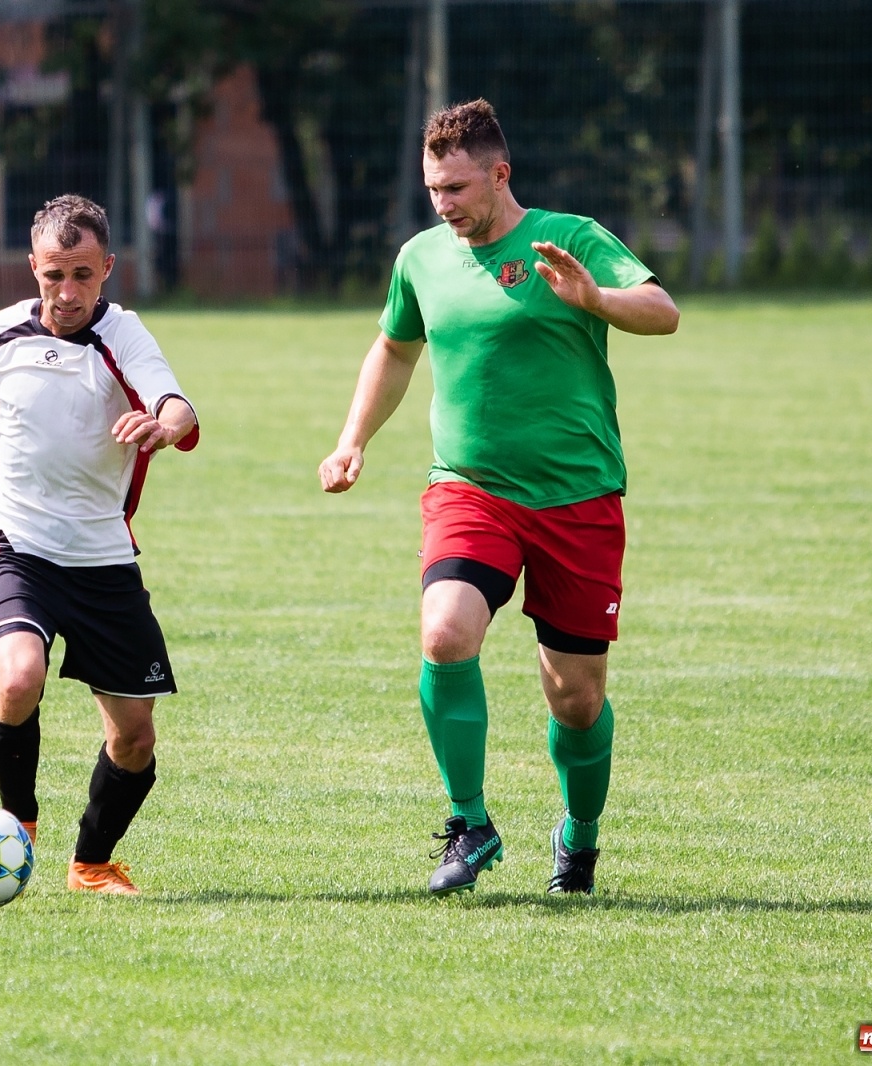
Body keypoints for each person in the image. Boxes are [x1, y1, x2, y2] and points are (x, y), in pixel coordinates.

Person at [318, 100, 679, 897]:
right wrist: (353, 440)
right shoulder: (421, 258)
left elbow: (664, 311)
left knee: (575, 697)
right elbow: (394, 347)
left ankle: (578, 837)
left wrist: (596, 300)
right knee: (445, 633)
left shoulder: (570, 237)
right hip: (470, 490)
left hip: (579, 496)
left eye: (454, 187)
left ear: (499, 174)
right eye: (432, 189)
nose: (442, 204)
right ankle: (469, 823)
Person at [0, 195, 199, 896]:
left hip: (104, 559)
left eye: (82, 274)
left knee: (135, 739)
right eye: (52, 276)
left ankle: (91, 864)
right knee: (17, 678)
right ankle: (16, 824)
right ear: (32, 269)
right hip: (15, 547)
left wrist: (165, 425)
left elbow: (178, 405)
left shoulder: (124, 336)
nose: (66, 292)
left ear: (107, 268)